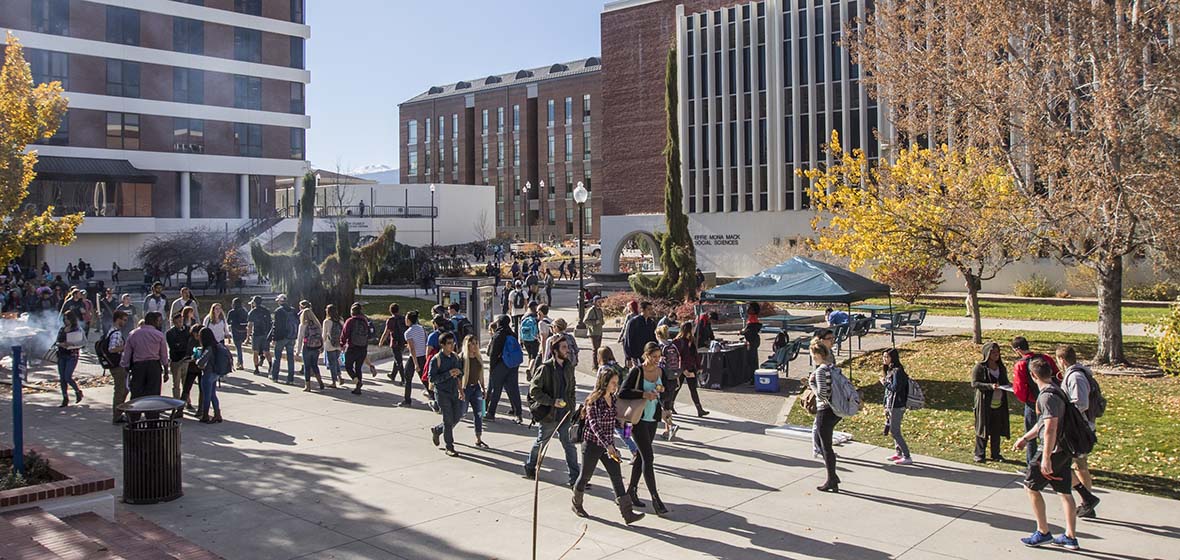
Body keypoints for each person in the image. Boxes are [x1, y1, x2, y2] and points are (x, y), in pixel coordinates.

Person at [1013, 358, 1080, 551]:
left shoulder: (1046, 397)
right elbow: (1043, 424)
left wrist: (1046, 457)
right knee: (1065, 492)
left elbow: (1050, 428)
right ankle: (1070, 536)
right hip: (1064, 450)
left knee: (1031, 487)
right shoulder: (1057, 391)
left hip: (1052, 451)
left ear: (1033, 376)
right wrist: (1026, 438)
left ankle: (1043, 531)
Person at [572, 364, 646, 525]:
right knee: (585, 476)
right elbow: (594, 425)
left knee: (616, 477)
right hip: (592, 444)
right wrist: (608, 446)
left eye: (617, 382)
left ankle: (627, 514)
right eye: (613, 382)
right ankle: (576, 503)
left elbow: (616, 423)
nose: (616, 386)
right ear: (604, 383)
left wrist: (628, 431)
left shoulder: (613, 399)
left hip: (608, 445)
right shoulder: (593, 401)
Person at [619, 341, 670, 515]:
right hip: (637, 420)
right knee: (648, 457)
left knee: (641, 457)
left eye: (659, 357)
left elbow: (665, 391)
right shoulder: (637, 371)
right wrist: (643, 394)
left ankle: (630, 491)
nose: (657, 360)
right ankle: (656, 499)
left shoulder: (660, 371)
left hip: (652, 418)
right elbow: (623, 392)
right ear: (646, 355)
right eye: (654, 357)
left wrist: (664, 404)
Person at [524, 336, 579, 485]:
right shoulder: (545, 368)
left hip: (565, 414)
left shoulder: (569, 367)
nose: (567, 350)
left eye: (567, 347)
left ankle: (575, 478)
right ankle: (530, 466)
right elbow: (534, 391)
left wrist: (571, 408)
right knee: (541, 443)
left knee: (569, 445)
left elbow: (572, 389)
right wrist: (552, 402)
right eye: (563, 347)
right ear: (555, 351)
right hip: (549, 415)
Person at [1057, 345, 1101, 519]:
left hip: (1078, 429)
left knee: (1073, 465)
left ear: (1062, 360)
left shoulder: (1075, 377)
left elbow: (1081, 403)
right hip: (1079, 427)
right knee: (1078, 465)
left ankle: (1087, 500)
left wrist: (1064, 410)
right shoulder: (1078, 373)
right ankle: (1087, 501)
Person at [1011, 336, 1061, 469]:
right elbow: (1057, 375)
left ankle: (1031, 465)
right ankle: (1052, 459)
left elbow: (1019, 388)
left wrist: (1026, 399)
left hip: (1033, 403)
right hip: (1053, 397)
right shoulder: (1045, 358)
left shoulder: (1021, 364)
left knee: (1031, 433)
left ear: (1017, 350)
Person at [809, 341, 842, 493]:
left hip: (825, 410)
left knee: (826, 447)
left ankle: (831, 479)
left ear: (818, 355)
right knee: (824, 444)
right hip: (835, 410)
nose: (812, 358)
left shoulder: (821, 371)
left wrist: (812, 385)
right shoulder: (832, 367)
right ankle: (832, 476)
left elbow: (822, 394)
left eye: (812, 355)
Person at [971, 341, 1011, 463]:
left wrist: (1009, 385)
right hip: (984, 404)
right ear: (987, 354)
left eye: (997, 353)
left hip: (998, 403)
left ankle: (996, 454)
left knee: (996, 429)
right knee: (983, 428)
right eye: (993, 353)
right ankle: (979, 453)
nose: (996, 355)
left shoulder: (1001, 367)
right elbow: (975, 383)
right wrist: (989, 386)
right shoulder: (980, 367)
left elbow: (1004, 381)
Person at [428, 332, 464, 457]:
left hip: (454, 391)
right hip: (442, 393)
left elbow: (460, 373)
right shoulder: (436, 359)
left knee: (457, 416)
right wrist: (448, 374)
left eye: (452, 343)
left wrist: (459, 375)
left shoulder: (455, 357)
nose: (451, 345)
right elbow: (432, 378)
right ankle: (449, 446)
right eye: (448, 343)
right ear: (442, 345)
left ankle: (437, 430)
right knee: (448, 420)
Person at [120, 312, 169, 399]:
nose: (159, 323)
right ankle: (152, 412)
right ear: (154, 321)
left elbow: (127, 353)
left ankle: (135, 412)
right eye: (158, 321)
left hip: (138, 367)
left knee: (136, 394)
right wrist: (166, 371)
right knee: (153, 394)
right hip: (154, 367)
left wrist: (126, 367)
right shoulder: (159, 335)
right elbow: (164, 355)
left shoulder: (133, 334)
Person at [486, 315, 524, 424]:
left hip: (500, 365)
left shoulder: (498, 335)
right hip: (512, 365)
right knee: (514, 390)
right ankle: (518, 414)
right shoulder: (512, 334)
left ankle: (490, 413)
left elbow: (493, 354)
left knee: (495, 390)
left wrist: (492, 367)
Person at [880, 348, 913, 465]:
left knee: (895, 431)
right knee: (894, 430)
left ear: (893, 358)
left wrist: (884, 383)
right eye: (883, 357)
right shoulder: (890, 370)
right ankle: (898, 453)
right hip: (891, 404)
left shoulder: (898, 371)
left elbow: (895, 388)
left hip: (897, 405)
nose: (884, 359)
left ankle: (907, 455)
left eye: (887, 357)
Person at [456, 334, 489, 450]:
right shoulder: (461, 359)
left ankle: (478, 439)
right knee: (460, 414)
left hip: (476, 389)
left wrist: (484, 389)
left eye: (476, 343)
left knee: (479, 414)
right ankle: (442, 429)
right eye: (472, 343)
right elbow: (458, 377)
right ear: (467, 345)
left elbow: (480, 375)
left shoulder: (478, 358)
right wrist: (460, 391)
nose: (475, 346)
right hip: (465, 389)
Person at [672, 321, 708, 417]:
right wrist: (683, 370)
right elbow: (677, 357)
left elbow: (695, 354)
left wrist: (699, 366)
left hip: (691, 367)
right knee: (677, 388)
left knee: (693, 389)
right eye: (691, 329)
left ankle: (699, 409)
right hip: (682, 369)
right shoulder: (678, 341)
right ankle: (670, 405)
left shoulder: (691, 340)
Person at [194, 327, 229, 424]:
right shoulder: (216, 345)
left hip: (208, 373)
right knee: (213, 394)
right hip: (215, 373)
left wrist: (196, 358)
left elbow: (200, 363)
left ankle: (205, 415)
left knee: (206, 395)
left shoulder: (208, 348)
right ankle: (217, 414)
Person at [54, 310, 85, 407]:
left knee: (67, 376)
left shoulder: (77, 329)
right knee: (62, 378)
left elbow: (83, 342)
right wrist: (62, 344)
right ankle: (65, 398)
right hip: (62, 354)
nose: (66, 321)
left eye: (67, 319)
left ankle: (77, 391)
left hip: (72, 355)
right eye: (65, 319)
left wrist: (73, 344)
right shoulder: (62, 329)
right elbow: (57, 342)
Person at [293, 302, 325, 392]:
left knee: (307, 367)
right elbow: (321, 336)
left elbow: (300, 339)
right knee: (315, 365)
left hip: (307, 347)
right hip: (316, 347)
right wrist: (321, 347)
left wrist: (297, 351)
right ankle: (320, 381)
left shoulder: (303, 325)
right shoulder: (317, 324)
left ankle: (308, 386)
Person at [340, 303, 369, 395]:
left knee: (348, 366)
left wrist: (342, 344)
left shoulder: (350, 321)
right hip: (363, 348)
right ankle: (358, 388)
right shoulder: (365, 321)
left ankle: (357, 382)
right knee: (358, 368)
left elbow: (344, 334)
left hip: (352, 348)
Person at [166, 312, 195, 407]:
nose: (180, 323)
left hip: (186, 359)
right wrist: (182, 346)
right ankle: (177, 403)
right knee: (176, 383)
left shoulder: (187, 330)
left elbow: (190, 343)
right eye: (177, 322)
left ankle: (187, 400)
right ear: (174, 322)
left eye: (181, 321)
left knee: (186, 382)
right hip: (176, 360)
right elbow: (174, 346)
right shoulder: (170, 333)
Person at [270, 294, 299, 384]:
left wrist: (274, 338)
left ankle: (275, 377)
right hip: (292, 337)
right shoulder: (293, 310)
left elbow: (276, 326)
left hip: (281, 337)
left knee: (277, 357)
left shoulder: (278, 311)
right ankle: (290, 379)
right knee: (290, 358)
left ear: (280, 301)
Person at [106, 310, 129, 423]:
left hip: (117, 365)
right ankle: (117, 415)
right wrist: (124, 348)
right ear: (118, 319)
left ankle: (119, 412)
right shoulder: (116, 333)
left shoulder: (113, 331)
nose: (125, 323)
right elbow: (112, 348)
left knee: (124, 389)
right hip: (117, 365)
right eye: (124, 320)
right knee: (120, 390)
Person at [401, 310, 428, 407]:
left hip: (414, 357)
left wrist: (416, 363)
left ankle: (407, 400)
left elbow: (412, 349)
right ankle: (435, 397)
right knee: (424, 379)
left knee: (407, 378)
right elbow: (424, 342)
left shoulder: (408, 332)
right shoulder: (422, 328)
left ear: (409, 320)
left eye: (406, 318)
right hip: (423, 356)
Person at [380, 303, 407, 385]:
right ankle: (393, 375)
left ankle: (403, 379)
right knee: (397, 358)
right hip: (403, 342)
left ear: (390, 311)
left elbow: (386, 332)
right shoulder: (403, 319)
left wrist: (381, 342)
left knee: (398, 360)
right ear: (398, 310)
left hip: (395, 342)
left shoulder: (391, 320)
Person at [623, 302, 656, 367]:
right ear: (642, 310)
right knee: (639, 373)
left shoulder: (651, 322)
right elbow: (627, 339)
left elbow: (653, 338)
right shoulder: (634, 322)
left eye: (651, 309)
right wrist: (628, 357)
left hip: (648, 353)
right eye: (648, 309)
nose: (651, 311)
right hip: (636, 354)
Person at [246, 296, 273, 375]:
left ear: (254, 302)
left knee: (255, 352)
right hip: (265, 334)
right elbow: (270, 322)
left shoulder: (252, 312)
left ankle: (256, 369)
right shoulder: (266, 311)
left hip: (257, 334)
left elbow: (250, 325)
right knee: (267, 351)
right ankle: (270, 366)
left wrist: (247, 337)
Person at [321, 305, 344, 389]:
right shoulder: (340, 320)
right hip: (339, 344)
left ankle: (334, 381)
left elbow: (324, 334)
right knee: (336, 361)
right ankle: (340, 377)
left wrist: (321, 345)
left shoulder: (326, 321)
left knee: (332, 363)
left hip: (329, 344)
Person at [581, 296, 606, 369]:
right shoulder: (591, 310)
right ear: (595, 302)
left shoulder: (600, 310)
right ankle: (595, 366)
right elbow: (585, 321)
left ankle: (599, 364)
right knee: (595, 350)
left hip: (599, 332)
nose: (600, 303)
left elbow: (601, 320)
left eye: (601, 301)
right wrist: (595, 322)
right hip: (593, 332)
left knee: (599, 349)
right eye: (599, 302)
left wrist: (602, 322)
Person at [227, 298, 249, 369]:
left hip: (235, 331)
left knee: (238, 348)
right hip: (244, 331)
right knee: (239, 347)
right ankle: (240, 362)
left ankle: (240, 363)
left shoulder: (232, 312)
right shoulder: (245, 311)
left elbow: (228, 321)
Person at [519, 302, 541, 367]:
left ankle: (529, 366)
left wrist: (521, 339)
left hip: (525, 338)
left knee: (529, 355)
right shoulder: (535, 316)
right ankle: (531, 369)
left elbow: (521, 328)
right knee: (534, 356)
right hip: (534, 338)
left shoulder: (524, 316)